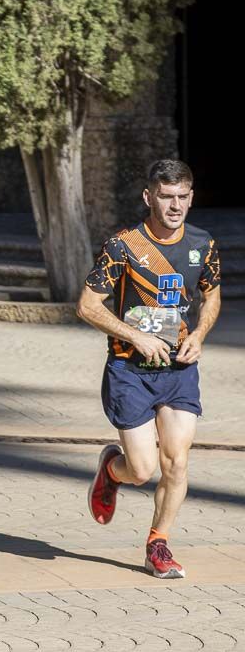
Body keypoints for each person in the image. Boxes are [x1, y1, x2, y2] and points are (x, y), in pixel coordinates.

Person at [77, 158, 221, 579]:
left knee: (176, 462)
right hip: (130, 370)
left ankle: (158, 543)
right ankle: (112, 469)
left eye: (182, 197)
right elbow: (87, 306)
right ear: (148, 197)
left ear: (191, 197)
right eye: (166, 196)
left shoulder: (203, 245)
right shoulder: (123, 247)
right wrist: (136, 335)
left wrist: (199, 336)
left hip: (178, 369)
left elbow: (211, 297)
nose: (175, 205)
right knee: (142, 470)